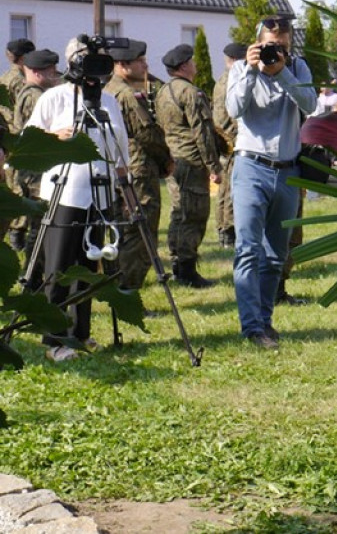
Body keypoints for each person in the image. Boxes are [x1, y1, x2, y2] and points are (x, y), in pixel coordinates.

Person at [27, 37, 130, 362]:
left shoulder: (109, 100)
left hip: (99, 192)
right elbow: (27, 142)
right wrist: (53, 137)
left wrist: (124, 185)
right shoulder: (54, 98)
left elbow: (121, 146)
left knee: (89, 267)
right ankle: (55, 340)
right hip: (64, 191)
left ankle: (81, 334)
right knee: (58, 267)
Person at [225, 14, 317, 349]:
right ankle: (252, 327)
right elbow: (234, 109)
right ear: (257, 43)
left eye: (281, 45)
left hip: (288, 172)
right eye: (268, 45)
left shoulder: (298, 68)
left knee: (276, 255)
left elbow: (311, 104)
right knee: (248, 250)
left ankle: (264, 321)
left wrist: (284, 73)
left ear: (289, 43)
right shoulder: (240, 70)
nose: (273, 51)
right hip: (251, 167)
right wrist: (251, 71)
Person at [103, 40, 173, 290]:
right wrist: (166, 158)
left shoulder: (107, 89)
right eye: (140, 61)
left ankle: (119, 284)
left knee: (122, 228)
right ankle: (128, 288)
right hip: (137, 168)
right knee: (140, 231)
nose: (145, 65)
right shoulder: (126, 95)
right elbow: (147, 134)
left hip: (117, 167)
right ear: (122, 65)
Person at [155, 44, 223, 288]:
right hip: (192, 162)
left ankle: (177, 264)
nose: (195, 65)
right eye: (192, 61)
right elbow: (203, 133)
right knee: (193, 216)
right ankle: (186, 270)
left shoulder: (163, 91)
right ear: (184, 66)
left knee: (178, 212)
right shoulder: (191, 93)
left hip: (173, 159)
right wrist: (214, 166)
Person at [13, 49, 62, 272]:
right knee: (39, 223)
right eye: (49, 71)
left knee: (39, 222)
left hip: (33, 165)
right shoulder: (35, 96)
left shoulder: (35, 92)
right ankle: (32, 272)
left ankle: (34, 271)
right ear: (35, 72)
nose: (54, 74)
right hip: (34, 170)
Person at [2, 38, 35, 249]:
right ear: (22, 58)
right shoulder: (19, 81)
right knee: (20, 186)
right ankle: (17, 235)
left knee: (17, 185)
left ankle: (17, 233)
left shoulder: (5, 78)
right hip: (17, 140)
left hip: (9, 139)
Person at [213, 42, 245, 248]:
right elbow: (221, 118)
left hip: (230, 141)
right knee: (229, 189)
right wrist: (235, 137)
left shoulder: (227, 79)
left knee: (227, 189)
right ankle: (227, 230)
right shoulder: (227, 81)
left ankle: (226, 229)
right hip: (230, 142)